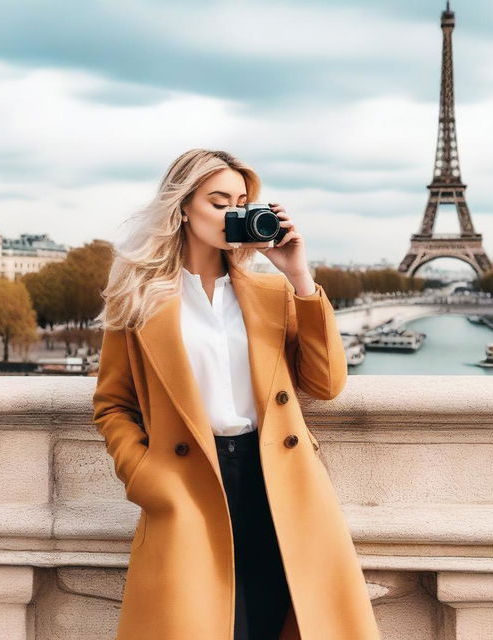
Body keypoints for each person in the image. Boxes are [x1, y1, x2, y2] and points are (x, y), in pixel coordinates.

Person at [92, 149, 381, 639]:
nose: (232, 213)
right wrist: (144, 475)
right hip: (190, 482)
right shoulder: (139, 300)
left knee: (277, 623)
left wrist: (299, 276)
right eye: (218, 201)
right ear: (183, 208)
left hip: (277, 482)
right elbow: (113, 403)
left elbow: (327, 383)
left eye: (241, 202)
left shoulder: (274, 294)